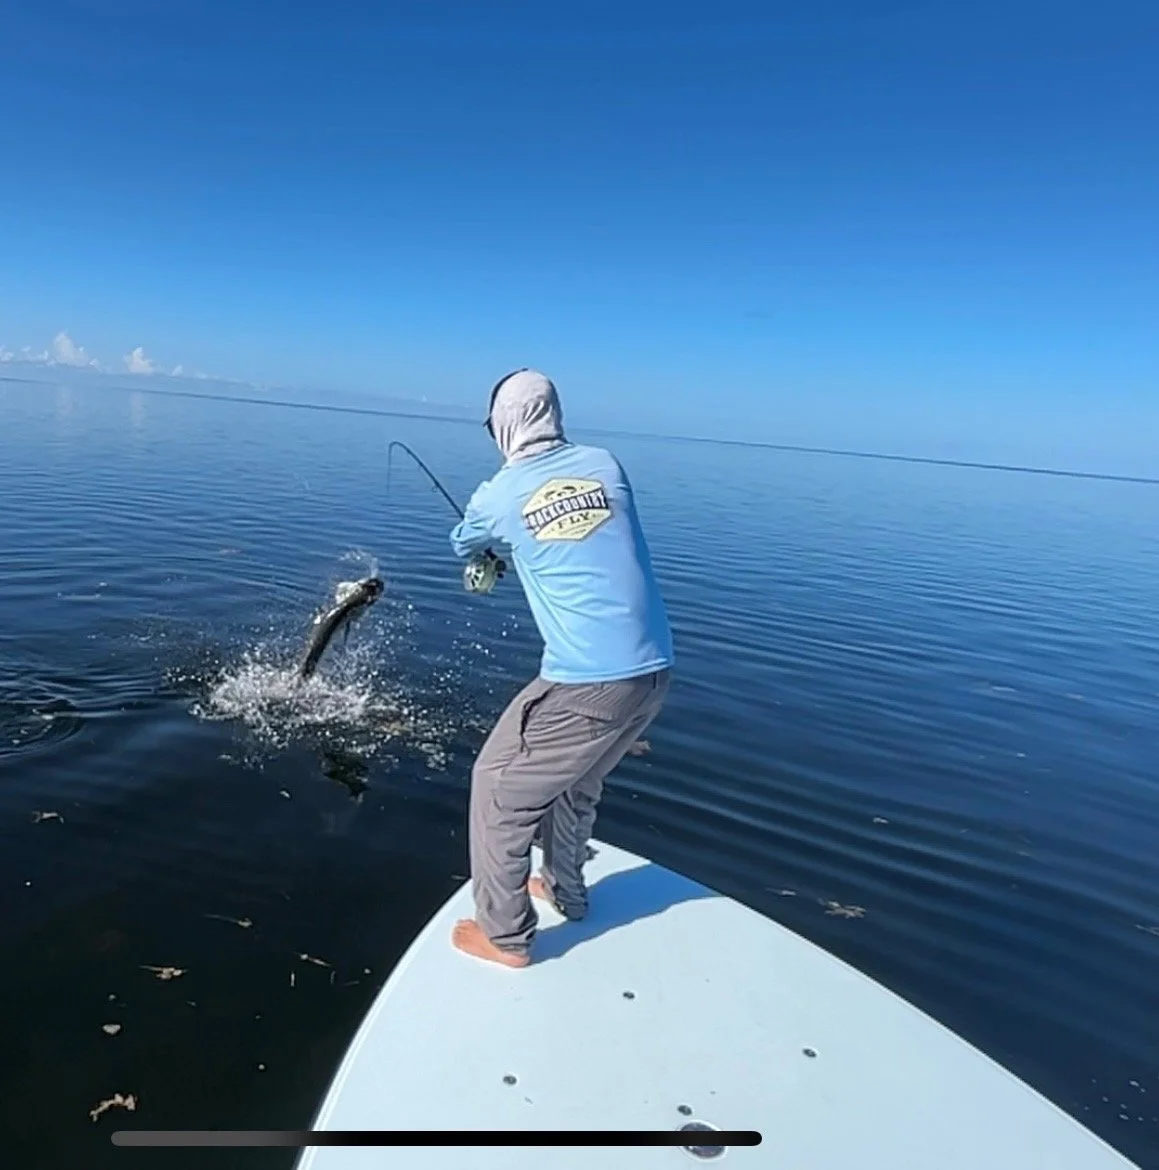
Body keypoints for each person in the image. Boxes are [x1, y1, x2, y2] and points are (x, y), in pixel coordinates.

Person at [448, 369, 674, 968]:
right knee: (577, 782)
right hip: (653, 671)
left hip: (588, 680)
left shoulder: (497, 494)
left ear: (501, 425)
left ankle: (504, 935)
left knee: (498, 787)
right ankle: (567, 894)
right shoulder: (606, 464)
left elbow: (464, 545)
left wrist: (485, 553)